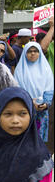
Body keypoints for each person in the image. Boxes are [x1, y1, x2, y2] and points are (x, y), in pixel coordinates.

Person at [14, 42, 54, 144]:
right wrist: (29, 102)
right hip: (25, 108)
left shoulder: (45, 69)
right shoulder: (20, 70)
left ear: (40, 53)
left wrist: (46, 103)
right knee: (24, 140)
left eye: (35, 51)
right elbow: (17, 89)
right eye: (29, 51)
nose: (32, 54)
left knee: (39, 140)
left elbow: (49, 88)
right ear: (25, 53)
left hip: (41, 109)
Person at [39, 16, 54, 154]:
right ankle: (48, 154)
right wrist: (52, 27)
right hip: (52, 91)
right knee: (50, 124)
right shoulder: (51, 47)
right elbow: (42, 47)